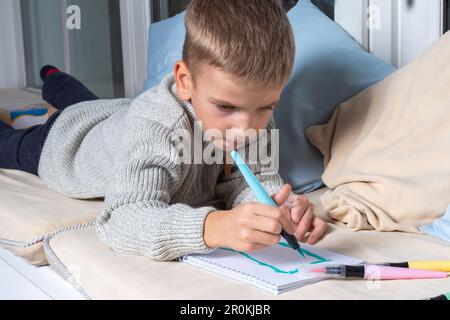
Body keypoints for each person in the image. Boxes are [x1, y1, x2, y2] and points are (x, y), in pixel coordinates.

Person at [0, 0, 327, 261]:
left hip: (117, 115)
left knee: (80, 99)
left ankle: (54, 78)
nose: (245, 128)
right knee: (17, 139)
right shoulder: (160, 126)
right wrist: (212, 227)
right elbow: (123, 221)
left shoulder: (254, 116)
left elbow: (246, 182)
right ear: (185, 82)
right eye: (226, 107)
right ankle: (50, 79)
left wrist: (277, 210)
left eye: (266, 107)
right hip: (67, 143)